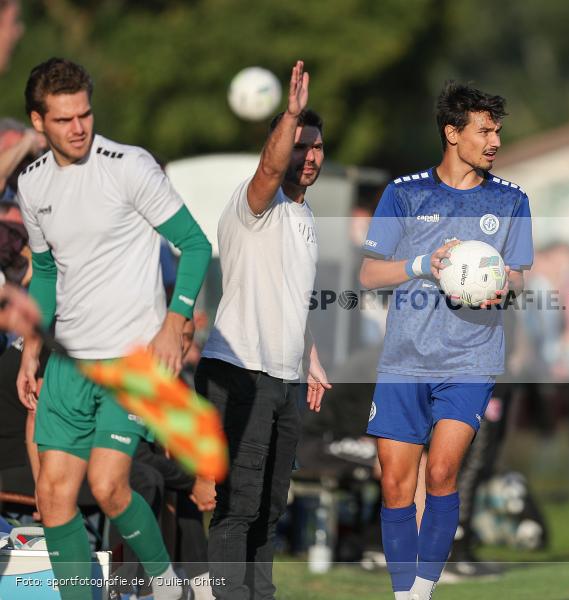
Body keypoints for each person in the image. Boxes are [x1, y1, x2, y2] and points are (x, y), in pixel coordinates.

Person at [15, 57, 211, 600]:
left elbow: (195, 246)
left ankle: (168, 586)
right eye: (64, 120)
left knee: (107, 486)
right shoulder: (31, 186)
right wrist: (33, 346)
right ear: (39, 122)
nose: (79, 128)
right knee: (53, 498)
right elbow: (47, 272)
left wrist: (176, 321)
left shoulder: (130, 166)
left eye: (85, 114)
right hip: (67, 364)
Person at [360, 81, 533, 600]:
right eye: (484, 130)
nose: (495, 140)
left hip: (470, 358)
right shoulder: (405, 193)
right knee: (394, 483)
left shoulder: (511, 201)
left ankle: (421, 592)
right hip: (404, 359)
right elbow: (368, 274)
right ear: (452, 133)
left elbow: (522, 277)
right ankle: (401, 592)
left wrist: (497, 281)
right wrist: (421, 266)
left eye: (498, 130)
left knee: (441, 471)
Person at [195, 60, 330, 600]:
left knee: (271, 508)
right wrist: (290, 115)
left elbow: (288, 300)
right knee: (239, 505)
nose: (311, 156)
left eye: (317, 146)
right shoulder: (258, 203)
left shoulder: (306, 216)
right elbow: (268, 171)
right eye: (300, 145)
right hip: (238, 372)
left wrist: (310, 356)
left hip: (283, 377)